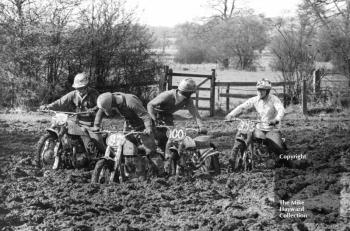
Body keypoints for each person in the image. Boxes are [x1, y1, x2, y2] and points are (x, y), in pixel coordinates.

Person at [93, 92, 159, 179]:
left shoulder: (130, 102)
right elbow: (101, 111)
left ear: (112, 103)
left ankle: (160, 173)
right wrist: (96, 126)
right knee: (128, 151)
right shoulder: (109, 99)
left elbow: (145, 115)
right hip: (129, 125)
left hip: (143, 126)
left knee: (150, 152)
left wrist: (148, 127)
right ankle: (130, 174)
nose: (107, 111)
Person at [147, 78, 207, 173]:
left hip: (167, 117)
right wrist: (155, 120)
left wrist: (201, 125)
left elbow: (194, 113)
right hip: (153, 116)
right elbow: (150, 105)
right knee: (157, 141)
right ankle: (156, 164)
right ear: (184, 92)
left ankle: (171, 163)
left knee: (171, 139)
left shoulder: (187, 100)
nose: (190, 95)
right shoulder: (167, 95)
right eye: (189, 93)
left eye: (191, 93)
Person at [225, 78, 286, 168]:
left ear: (267, 91)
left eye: (262, 90)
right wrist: (231, 114)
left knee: (279, 148)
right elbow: (242, 107)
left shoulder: (274, 99)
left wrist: (276, 120)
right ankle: (240, 158)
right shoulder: (255, 100)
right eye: (258, 89)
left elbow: (281, 110)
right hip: (259, 127)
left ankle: (285, 163)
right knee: (244, 135)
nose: (260, 92)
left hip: (272, 128)